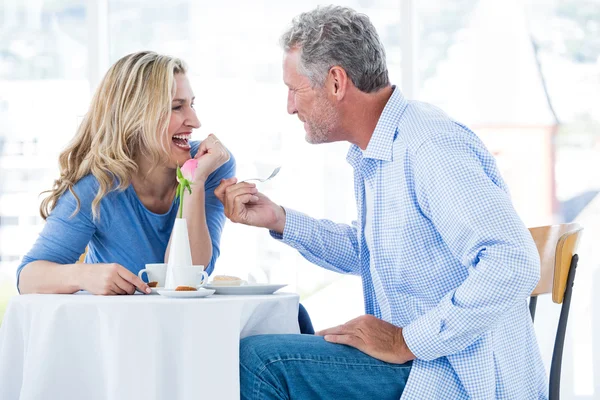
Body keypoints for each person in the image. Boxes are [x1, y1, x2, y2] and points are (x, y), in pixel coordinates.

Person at [215, 6, 546, 399]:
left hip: (454, 376)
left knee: (258, 361)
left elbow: (513, 260)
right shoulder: (386, 148)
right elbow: (371, 250)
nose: (290, 106)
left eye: (295, 89)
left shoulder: (428, 146)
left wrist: (406, 341)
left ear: (336, 82)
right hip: (425, 365)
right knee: (290, 334)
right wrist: (279, 220)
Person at [17, 51, 235, 295]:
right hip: (114, 327)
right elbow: (27, 278)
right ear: (135, 116)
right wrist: (82, 275)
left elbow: (187, 278)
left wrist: (193, 181)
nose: (195, 121)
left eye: (191, 104)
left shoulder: (210, 166)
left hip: (185, 324)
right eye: (177, 107)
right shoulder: (97, 187)